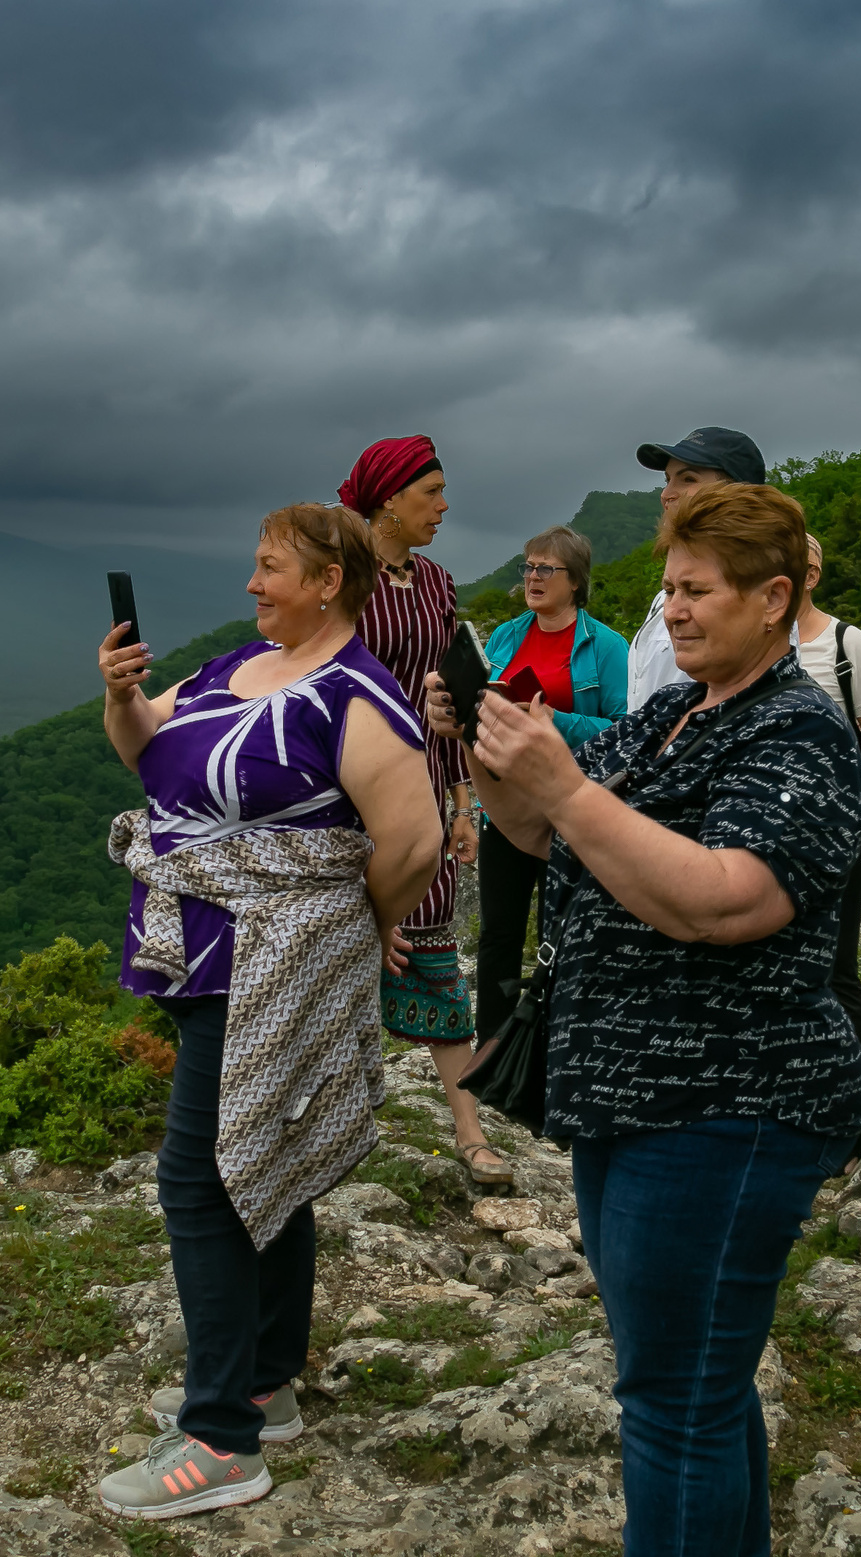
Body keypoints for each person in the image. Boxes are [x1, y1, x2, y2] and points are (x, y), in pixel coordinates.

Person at [467, 483, 861, 1557]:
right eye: (668, 589)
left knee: (670, 1403)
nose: (674, 611)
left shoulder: (798, 732)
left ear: (772, 597)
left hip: (727, 1106)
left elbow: (728, 900)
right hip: (632, 1100)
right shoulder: (677, 711)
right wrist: (493, 756)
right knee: (697, 1382)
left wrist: (564, 788)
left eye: (697, 591)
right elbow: (544, 832)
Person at [93, 502, 442, 1521]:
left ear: (327, 580)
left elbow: (412, 842)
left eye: (268, 568)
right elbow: (148, 757)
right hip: (202, 949)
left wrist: (344, 927)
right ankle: (262, 1379)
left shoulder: (356, 697)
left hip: (274, 962)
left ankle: (218, 1442)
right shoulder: (226, 671)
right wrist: (120, 699)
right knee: (266, 1155)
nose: (252, 585)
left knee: (202, 1179)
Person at [337, 436, 499, 1182]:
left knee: (434, 955)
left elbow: (449, 695)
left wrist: (463, 799)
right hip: (349, 790)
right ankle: (317, 1129)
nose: (442, 505)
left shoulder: (435, 581)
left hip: (427, 786)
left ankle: (470, 1130)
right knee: (337, 954)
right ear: (387, 500)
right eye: (429, 491)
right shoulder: (343, 576)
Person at [459, 526, 630, 1043]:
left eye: (545, 569)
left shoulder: (606, 646)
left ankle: (560, 1041)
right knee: (499, 933)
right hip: (506, 802)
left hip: (569, 805)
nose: (532, 577)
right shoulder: (506, 636)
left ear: (575, 581)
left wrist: (554, 721)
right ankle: (492, 1044)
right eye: (528, 567)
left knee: (566, 932)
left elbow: (624, 731)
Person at [792, 531, 861, 1061]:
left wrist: (842, 811)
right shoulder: (749, 641)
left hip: (835, 832)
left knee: (835, 966)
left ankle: (852, 1094)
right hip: (766, 834)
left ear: (811, 576)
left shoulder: (845, 644)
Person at [627, 426, 767, 709]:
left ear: (738, 493)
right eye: (667, 480)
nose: (667, 494)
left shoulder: (757, 593)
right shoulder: (664, 600)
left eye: (687, 479)